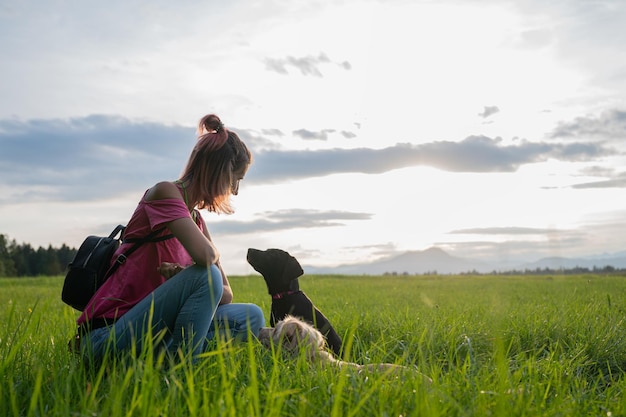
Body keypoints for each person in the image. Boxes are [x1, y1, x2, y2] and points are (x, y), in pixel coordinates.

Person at [76, 114, 265, 365]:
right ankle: (180, 368)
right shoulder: (164, 192)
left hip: (150, 331)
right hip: (108, 334)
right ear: (221, 170)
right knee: (206, 275)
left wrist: (181, 275)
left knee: (251, 316)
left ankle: (161, 360)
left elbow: (226, 295)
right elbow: (207, 259)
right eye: (236, 180)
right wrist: (190, 274)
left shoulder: (195, 219)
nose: (235, 191)